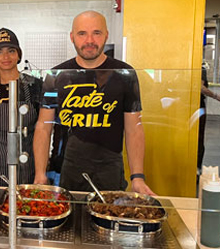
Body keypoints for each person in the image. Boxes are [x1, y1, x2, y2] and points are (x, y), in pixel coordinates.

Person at [33, 10, 155, 195]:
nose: (89, 40)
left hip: (110, 168)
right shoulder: (56, 76)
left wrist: (137, 177)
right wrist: (40, 173)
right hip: (69, 168)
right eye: (82, 33)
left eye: (96, 33)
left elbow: (134, 128)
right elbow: (43, 126)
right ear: (72, 37)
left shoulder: (125, 74)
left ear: (106, 35)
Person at [0, 28, 42, 186]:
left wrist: (42, 170)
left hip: (27, 167)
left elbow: (44, 130)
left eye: (11, 51)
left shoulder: (35, 86)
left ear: (18, 55)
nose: (5, 57)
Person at [198, 64, 220, 171]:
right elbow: (200, 87)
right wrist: (216, 96)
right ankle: (196, 169)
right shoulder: (200, 69)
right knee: (199, 139)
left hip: (186, 106)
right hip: (198, 106)